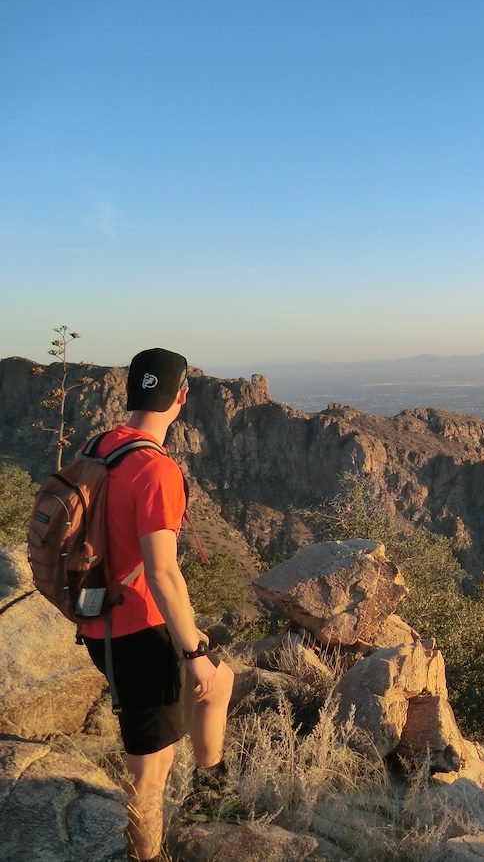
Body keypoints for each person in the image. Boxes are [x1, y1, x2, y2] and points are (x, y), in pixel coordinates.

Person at [79, 348, 241, 862]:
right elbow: (163, 572)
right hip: (139, 635)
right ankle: (145, 856)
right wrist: (191, 650)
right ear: (183, 396)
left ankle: (211, 791)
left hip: (97, 618)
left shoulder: (99, 447)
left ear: (131, 392)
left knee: (223, 680)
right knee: (149, 775)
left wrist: (201, 658)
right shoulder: (155, 469)